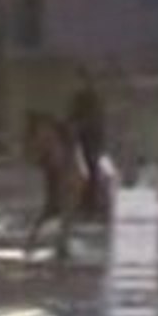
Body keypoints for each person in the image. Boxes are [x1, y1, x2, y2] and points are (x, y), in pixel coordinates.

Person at [65, 66, 106, 215]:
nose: (77, 84)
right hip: (77, 139)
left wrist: (79, 126)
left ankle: (91, 204)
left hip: (91, 140)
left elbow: (95, 119)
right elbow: (70, 116)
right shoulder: (76, 98)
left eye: (80, 80)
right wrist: (69, 125)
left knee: (90, 170)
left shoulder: (92, 98)